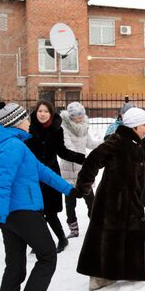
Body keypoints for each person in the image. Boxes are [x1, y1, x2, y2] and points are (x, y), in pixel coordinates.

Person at [0, 102, 81, 291]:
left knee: (15, 266)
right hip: (23, 211)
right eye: (26, 119)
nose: (29, 122)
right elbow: (3, 183)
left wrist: (69, 189)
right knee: (48, 255)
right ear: (17, 122)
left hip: (14, 214)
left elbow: (43, 172)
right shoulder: (12, 146)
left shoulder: (17, 145)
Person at [75, 107, 145, 291]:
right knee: (108, 237)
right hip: (112, 201)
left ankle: (137, 269)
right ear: (135, 125)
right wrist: (84, 185)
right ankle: (99, 277)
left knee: (134, 235)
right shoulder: (117, 141)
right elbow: (93, 160)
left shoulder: (135, 144)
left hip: (131, 200)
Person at [26, 100, 85, 253]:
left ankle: (62, 239)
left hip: (51, 173)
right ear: (35, 112)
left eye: (46, 111)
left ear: (51, 113)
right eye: (40, 111)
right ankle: (41, 243)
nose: (42, 114)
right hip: (33, 176)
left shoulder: (57, 130)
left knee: (50, 212)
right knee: (36, 212)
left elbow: (62, 151)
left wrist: (82, 158)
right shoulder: (28, 129)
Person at [105, 102, 145, 227]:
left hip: (138, 167)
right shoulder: (114, 127)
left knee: (142, 193)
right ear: (121, 114)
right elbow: (106, 145)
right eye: (126, 112)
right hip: (120, 169)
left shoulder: (138, 127)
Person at [59, 102, 100, 238]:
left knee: (91, 200)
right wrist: (86, 161)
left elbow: (90, 143)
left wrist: (104, 143)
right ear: (71, 116)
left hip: (82, 170)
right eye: (76, 115)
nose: (80, 117)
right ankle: (73, 229)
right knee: (70, 203)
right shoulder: (64, 128)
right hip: (69, 170)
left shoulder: (83, 127)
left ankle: (95, 225)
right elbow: (69, 149)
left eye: (81, 114)